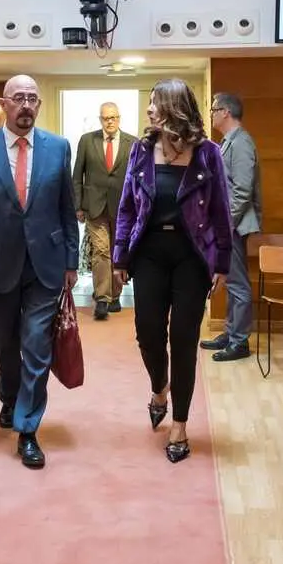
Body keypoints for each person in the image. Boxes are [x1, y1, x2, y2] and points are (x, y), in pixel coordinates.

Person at [0, 74, 79, 469]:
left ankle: (27, 429)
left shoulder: (58, 148)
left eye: (32, 99)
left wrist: (71, 262)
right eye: (18, 98)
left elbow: (66, 209)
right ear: (4, 104)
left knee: (37, 345)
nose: (26, 105)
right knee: (6, 346)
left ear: (38, 106)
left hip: (45, 265)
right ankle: (10, 396)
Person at [113, 78, 233, 464]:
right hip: (148, 253)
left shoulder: (207, 154)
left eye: (155, 103)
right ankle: (159, 388)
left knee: (183, 340)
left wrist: (223, 263)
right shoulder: (141, 151)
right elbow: (127, 208)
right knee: (147, 332)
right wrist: (119, 257)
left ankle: (179, 423)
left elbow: (220, 211)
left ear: (174, 107)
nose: (149, 110)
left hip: (191, 258)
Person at [200, 92, 262, 361]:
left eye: (213, 109)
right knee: (230, 281)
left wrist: (226, 225)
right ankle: (230, 332)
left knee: (237, 284)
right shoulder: (229, 142)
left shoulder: (242, 143)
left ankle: (240, 341)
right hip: (229, 225)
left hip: (234, 225)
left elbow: (241, 191)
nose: (211, 113)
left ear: (225, 112)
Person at [72, 102, 138, 320]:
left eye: (113, 117)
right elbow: (77, 176)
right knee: (100, 250)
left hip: (123, 207)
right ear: (100, 119)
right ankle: (102, 298)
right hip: (95, 206)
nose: (110, 121)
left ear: (119, 118)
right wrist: (78, 205)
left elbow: (138, 178)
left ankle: (115, 295)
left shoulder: (132, 143)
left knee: (116, 251)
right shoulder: (87, 140)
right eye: (105, 118)